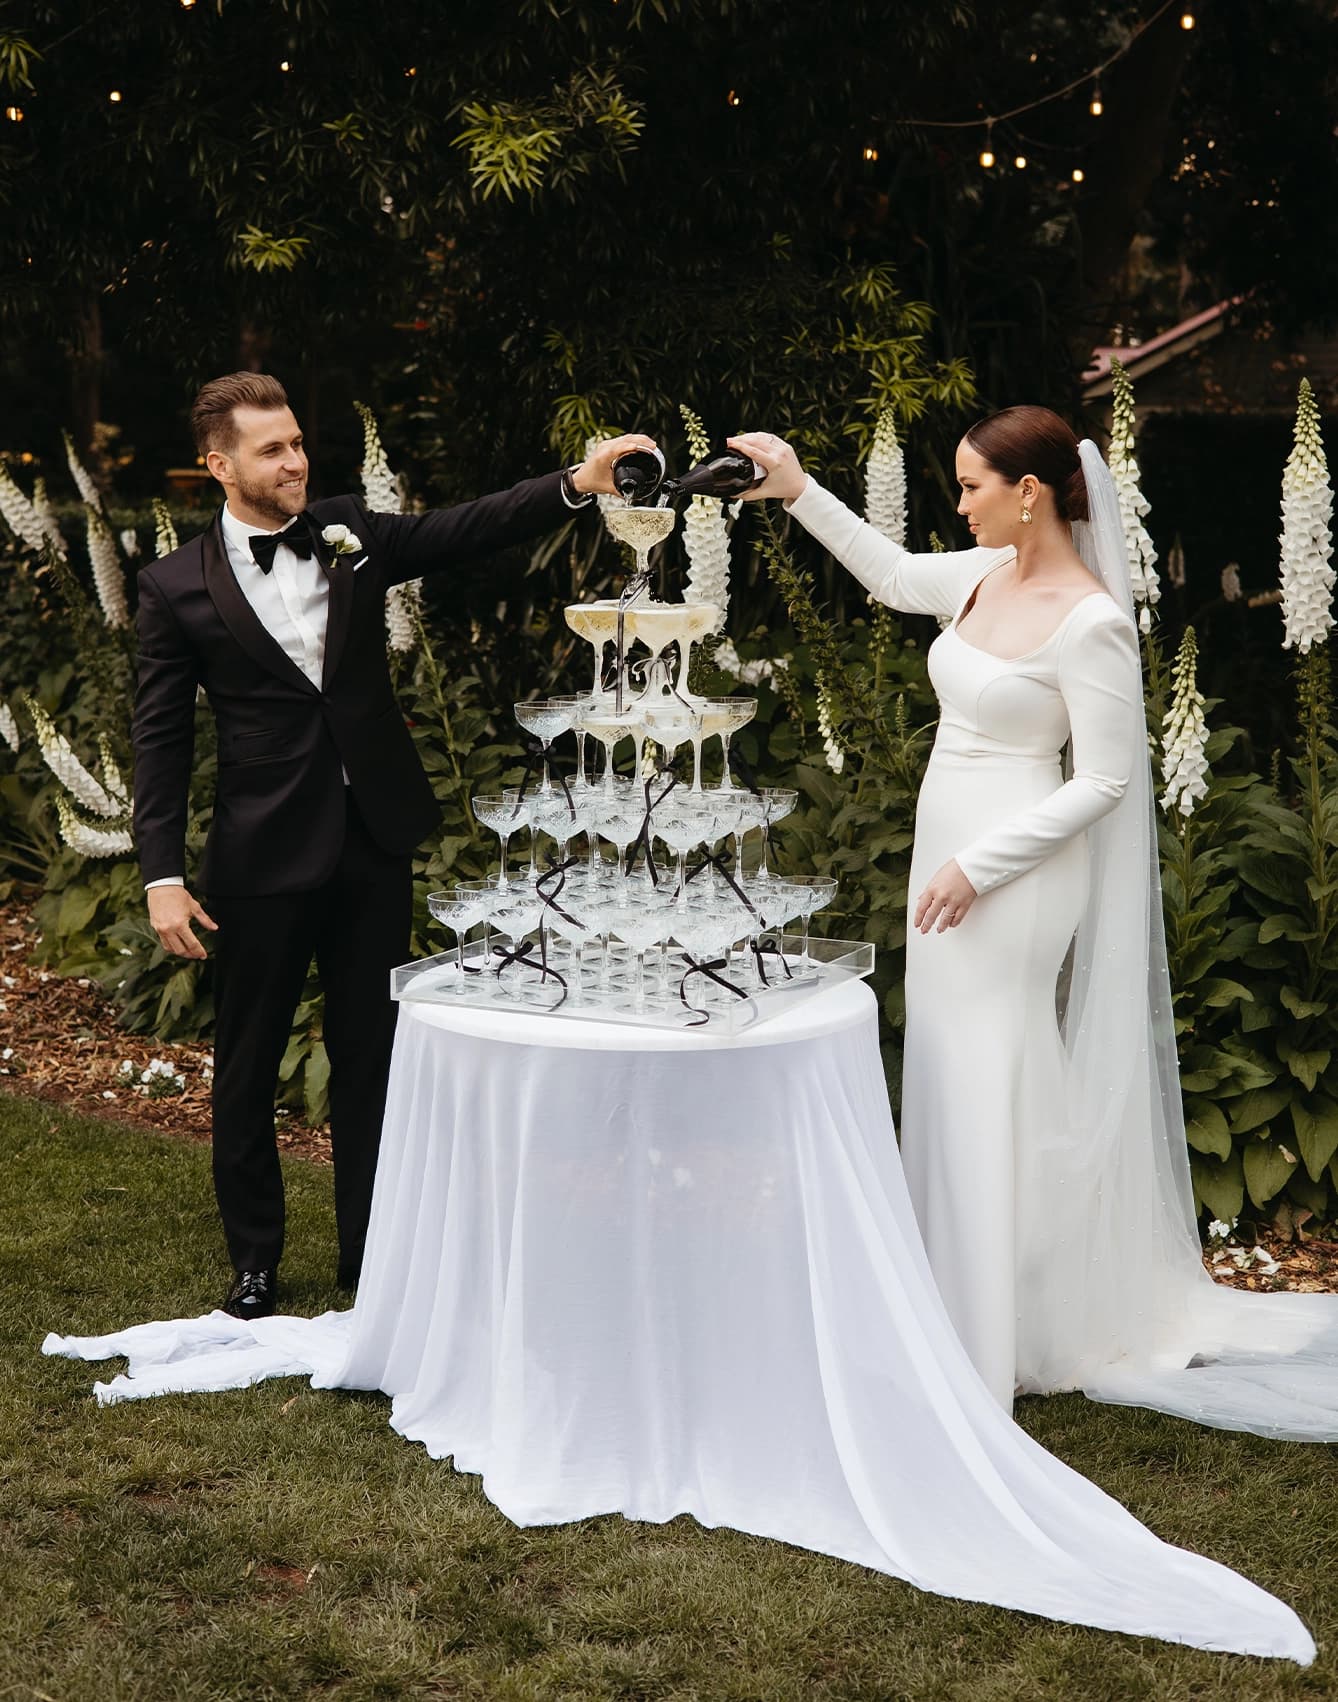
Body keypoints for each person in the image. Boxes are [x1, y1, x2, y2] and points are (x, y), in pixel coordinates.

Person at [728, 411, 1338, 1442]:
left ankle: (992, 1335)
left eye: (971, 486)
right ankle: (967, 1298)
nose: (958, 503)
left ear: (1031, 491)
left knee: (993, 1064)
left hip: (1014, 866)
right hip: (946, 851)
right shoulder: (980, 574)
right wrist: (795, 486)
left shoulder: (1088, 618)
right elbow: (883, 572)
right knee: (953, 1067)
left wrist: (982, 864)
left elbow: (1103, 776)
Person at [133, 370, 653, 1320]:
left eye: (297, 442)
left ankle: (370, 1256)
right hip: (258, 857)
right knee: (247, 1063)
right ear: (218, 465)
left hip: (372, 837)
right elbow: (158, 741)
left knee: (373, 1056)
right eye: (271, 449)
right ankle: (255, 1259)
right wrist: (162, 873)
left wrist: (579, 484)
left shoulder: (348, 530)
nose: (295, 461)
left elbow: (466, 527)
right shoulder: (173, 589)